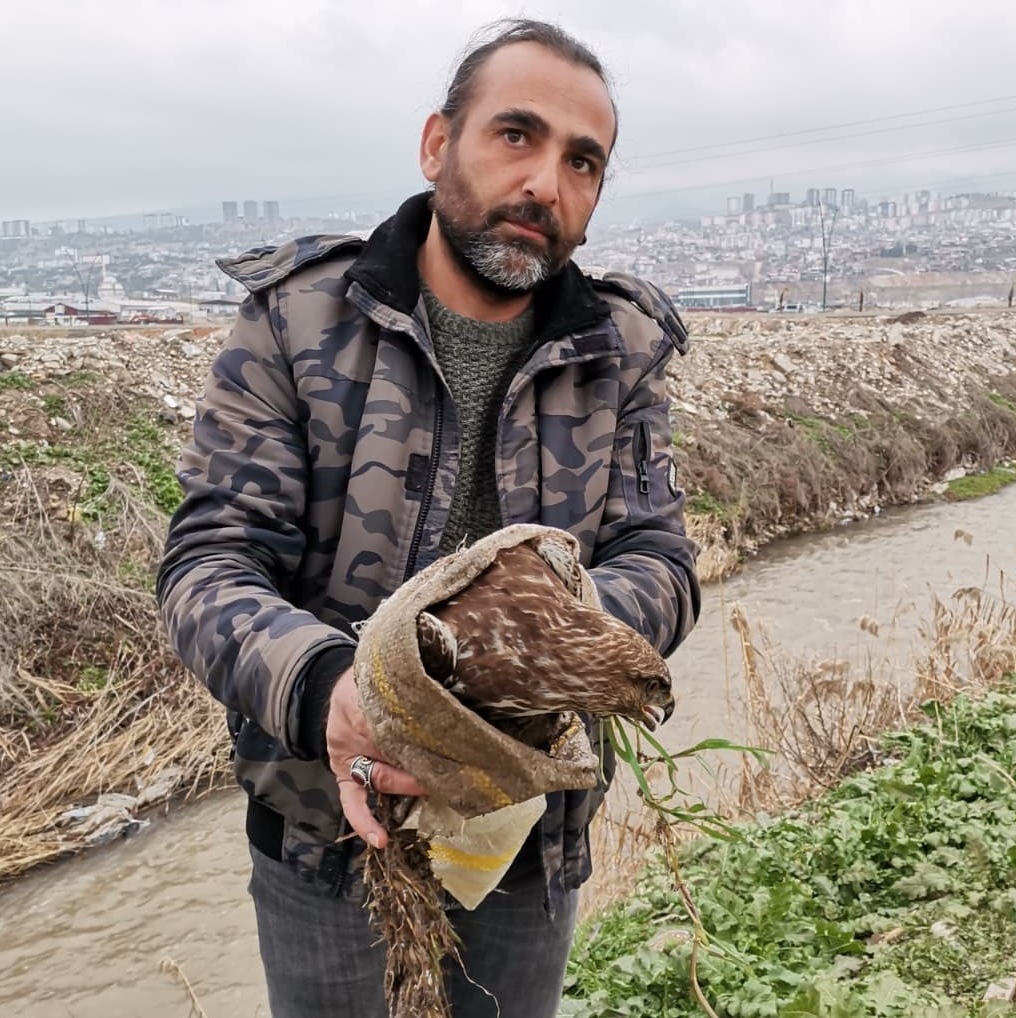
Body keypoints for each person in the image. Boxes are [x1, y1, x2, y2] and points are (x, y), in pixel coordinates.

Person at [156, 17, 700, 1018]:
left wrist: (526, 645)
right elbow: (209, 564)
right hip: (328, 829)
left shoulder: (621, 351)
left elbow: (661, 560)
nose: (545, 180)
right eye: (515, 135)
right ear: (435, 144)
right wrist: (334, 688)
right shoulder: (298, 318)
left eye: (583, 161)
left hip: (530, 831)